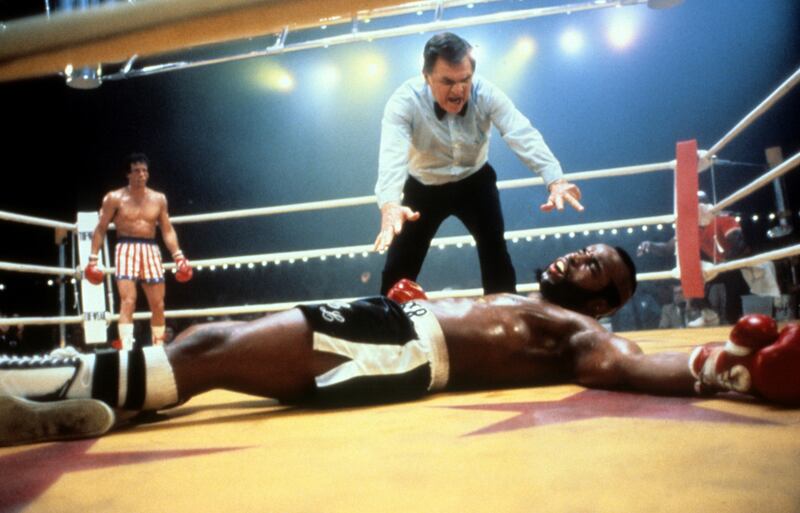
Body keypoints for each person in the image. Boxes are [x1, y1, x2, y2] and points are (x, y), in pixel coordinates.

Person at [2, 243, 798, 447]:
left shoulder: (578, 327)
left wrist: (729, 367)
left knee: (209, 346)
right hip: (392, 331)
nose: (573, 258)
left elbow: (623, 364)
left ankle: (38, 384)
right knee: (209, 356)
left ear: (604, 297)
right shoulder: (524, 301)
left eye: (591, 266)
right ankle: (69, 401)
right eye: (583, 253)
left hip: (400, 350)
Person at [374, 32, 583, 295]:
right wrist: (390, 203)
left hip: (475, 182)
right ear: (426, 76)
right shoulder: (404, 101)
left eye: (465, 80)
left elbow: (520, 132)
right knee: (398, 265)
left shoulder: (486, 93)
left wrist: (555, 180)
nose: (459, 90)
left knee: (495, 253)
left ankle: (506, 327)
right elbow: (392, 154)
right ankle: (383, 326)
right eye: (447, 81)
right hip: (423, 187)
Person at [84, 153, 193, 350]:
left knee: (158, 303)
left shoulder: (159, 198)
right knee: (128, 301)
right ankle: (126, 347)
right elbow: (100, 229)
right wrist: (93, 259)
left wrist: (179, 256)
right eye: (136, 171)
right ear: (128, 174)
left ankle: (158, 346)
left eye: (144, 171)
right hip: (125, 247)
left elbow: (167, 229)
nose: (141, 175)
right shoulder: (114, 198)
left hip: (150, 248)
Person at [637, 191, 781, 327]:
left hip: (741, 262)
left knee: (734, 303)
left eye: (701, 204)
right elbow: (667, 248)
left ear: (708, 206)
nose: (698, 208)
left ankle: (750, 322)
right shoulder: (689, 227)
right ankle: (708, 313)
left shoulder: (723, 219)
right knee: (689, 270)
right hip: (721, 265)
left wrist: (725, 264)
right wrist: (650, 245)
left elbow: (740, 246)